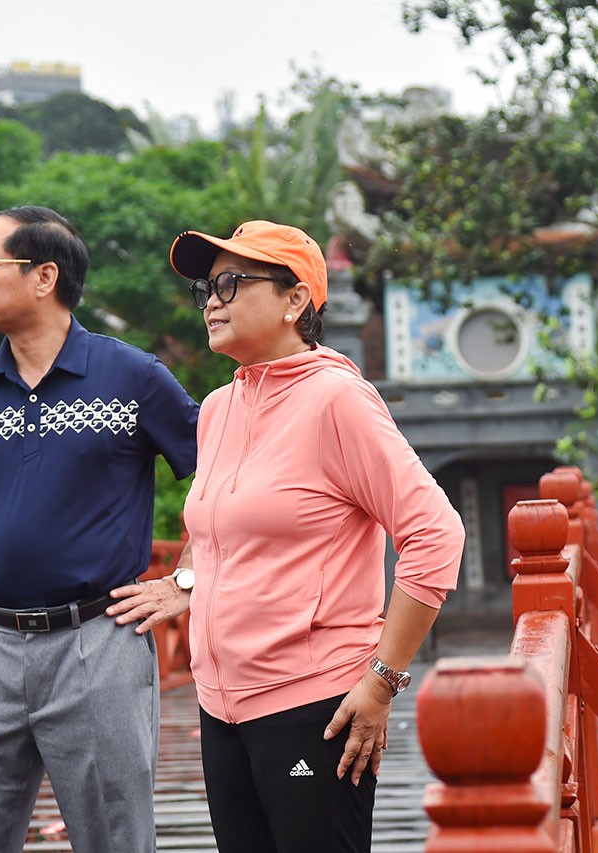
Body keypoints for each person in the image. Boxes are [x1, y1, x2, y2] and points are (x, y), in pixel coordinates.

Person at [108, 220, 464, 852]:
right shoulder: (218, 408)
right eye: (205, 289)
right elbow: (215, 525)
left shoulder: (336, 400)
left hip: (314, 706)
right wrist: (186, 580)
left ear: (295, 299)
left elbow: (435, 534)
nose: (211, 300)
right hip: (221, 707)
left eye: (229, 283)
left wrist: (383, 680)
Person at [0, 205, 199, 853]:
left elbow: (222, 476)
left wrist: (187, 579)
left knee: (115, 838)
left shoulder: (133, 378)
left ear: (44, 276)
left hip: (98, 638)